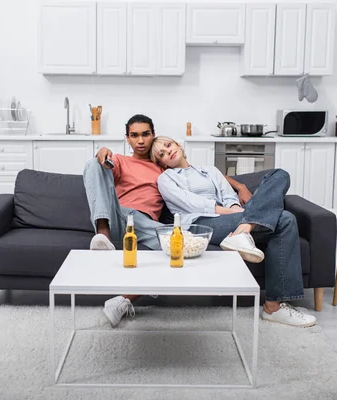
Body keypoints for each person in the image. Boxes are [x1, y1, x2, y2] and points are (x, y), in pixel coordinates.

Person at [83, 115, 253, 327]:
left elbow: (203, 172)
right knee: (92, 164)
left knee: (180, 246)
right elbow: (99, 168)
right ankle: (102, 234)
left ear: (152, 135)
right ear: (127, 139)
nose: (141, 141)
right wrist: (101, 152)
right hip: (121, 219)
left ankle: (124, 299)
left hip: (147, 226)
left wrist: (240, 186)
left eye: (145, 134)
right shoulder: (121, 161)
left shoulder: (163, 167)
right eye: (134, 136)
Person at [150, 136, 316, 328]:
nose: (168, 151)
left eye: (168, 145)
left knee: (280, 174)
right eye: (161, 154)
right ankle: (273, 308)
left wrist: (238, 209)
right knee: (285, 219)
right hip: (201, 223)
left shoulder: (210, 170)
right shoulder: (165, 179)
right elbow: (193, 205)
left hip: (232, 218)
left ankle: (243, 231)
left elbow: (228, 195)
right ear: (161, 163)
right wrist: (236, 212)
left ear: (178, 144)